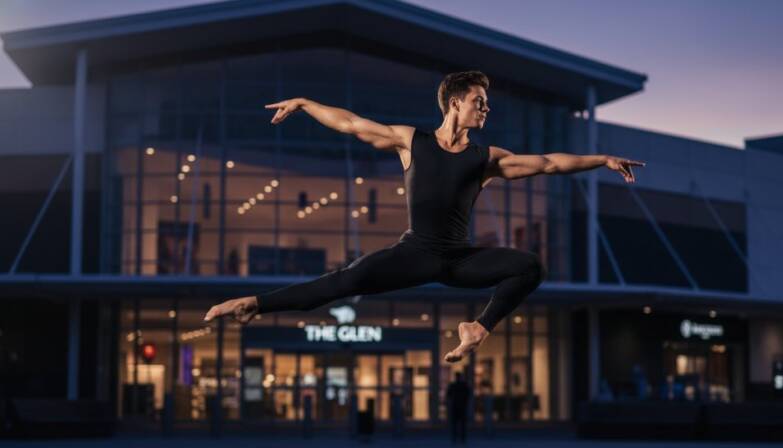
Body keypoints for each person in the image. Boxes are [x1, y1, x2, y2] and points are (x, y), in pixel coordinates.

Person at [204, 71, 645, 363]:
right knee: (344, 282)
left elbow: (549, 162)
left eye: (486, 102)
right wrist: (303, 102)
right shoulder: (410, 141)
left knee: (529, 267)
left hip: (458, 259)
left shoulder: (485, 158)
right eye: (479, 100)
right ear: (455, 103)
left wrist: (601, 159)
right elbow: (351, 123)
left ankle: (477, 329)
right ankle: (252, 303)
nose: (485, 107)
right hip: (415, 252)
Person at [446, 371, 472, 445]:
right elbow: (468, 395)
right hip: (461, 407)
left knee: (456, 424)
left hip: (456, 407)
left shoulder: (454, 385)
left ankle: (456, 438)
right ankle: (461, 438)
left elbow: (448, 395)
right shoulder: (463, 385)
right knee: (461, 424)